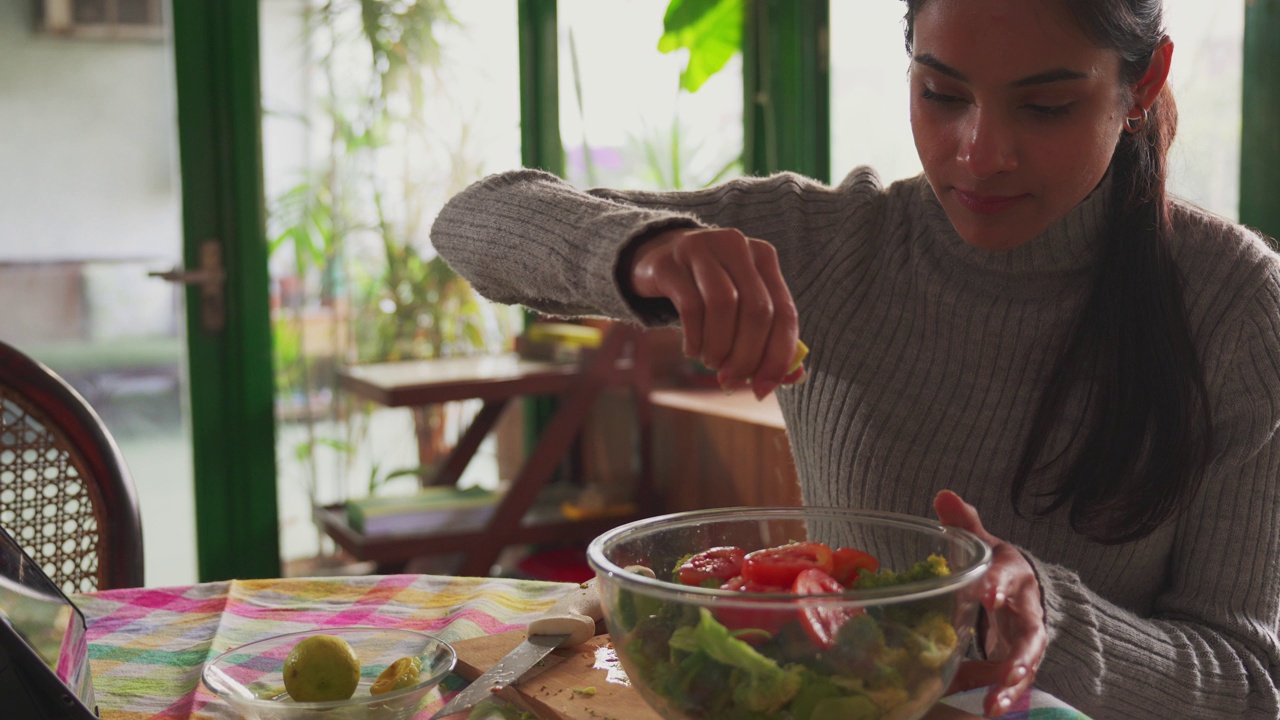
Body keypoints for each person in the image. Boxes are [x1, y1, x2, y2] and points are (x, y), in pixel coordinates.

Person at [430, 0, 1280, 717]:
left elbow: (1247, 683)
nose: (978, 152)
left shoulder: (1234, 305)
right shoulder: (838, 243)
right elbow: (474, 219)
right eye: (942, 94)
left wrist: (1049, 617)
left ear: (1147, 81)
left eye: (1046, 106)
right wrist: (648, 252)